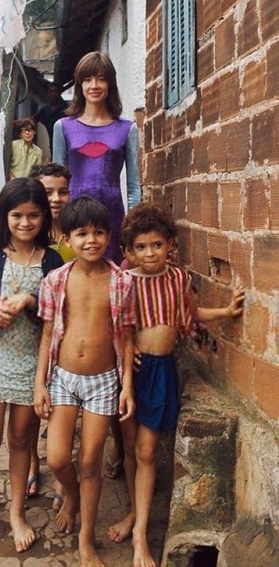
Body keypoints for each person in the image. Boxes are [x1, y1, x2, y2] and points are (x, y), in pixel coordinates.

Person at [107, 202, 245, 567]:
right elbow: (119, 330)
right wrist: (126, 368)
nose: (150, 253)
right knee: (131, 446)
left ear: (170, 244)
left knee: (148, 451)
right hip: (131, 372)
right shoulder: (125, 282)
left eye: (157, 244)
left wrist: (224, 313)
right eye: (141, 247)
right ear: (128, 251)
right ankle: (134, 518)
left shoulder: (177, 278)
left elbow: (188, 315)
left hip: (162, 369)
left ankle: (139, 535)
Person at [0, 178, 63, 553]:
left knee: (21, 439)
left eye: (33, 215)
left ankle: (17, 511)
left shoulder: (52, 261)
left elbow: (59, 311)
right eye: (17, 215)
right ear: (5, 215)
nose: (25, 222)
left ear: (44, 217)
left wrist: (30, 303)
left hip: (31, 363)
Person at [34, 196, 136, 567]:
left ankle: (86, 539)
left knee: (91, 459)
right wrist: (39, 385)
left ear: (109, 236)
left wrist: (126, 386)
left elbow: (126, 338)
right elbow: (46, 336)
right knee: (58, 457)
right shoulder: (56, 280)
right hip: (62, 379)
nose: (91, 240)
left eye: (98, 233)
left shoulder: (121, 282)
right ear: (67, 237)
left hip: (104, 381)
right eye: (81, 234)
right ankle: (71, 495)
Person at [53, 51, 141, 265]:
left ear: (110, 84)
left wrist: (133, 228)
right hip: (74, 218)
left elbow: (133, 187)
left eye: (102, 79)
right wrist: (57, 223)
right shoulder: (63, 127)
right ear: (79, 85)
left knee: (112, 279)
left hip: (112, 216)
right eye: (88, 79)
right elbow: (56, 180)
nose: (95, 85)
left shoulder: (127, 129)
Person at [26, 162, 73, 501]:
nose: (55, 199)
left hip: (68, 336)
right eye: (47, 192)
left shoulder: (77, 235)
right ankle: (30, 464)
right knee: (29, 407)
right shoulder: (30, 234)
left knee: (64, 408)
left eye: (62, 191)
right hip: (32, 335)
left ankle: (62, 471)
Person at [34, 81, 68, 155]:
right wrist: (14, 122)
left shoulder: (68, 109)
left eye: (55, 92)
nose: (53, 94)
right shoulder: (45, 110)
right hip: (53, 149)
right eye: (50, 91)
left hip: (68, 148)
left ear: (60, 93)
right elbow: (33, 120)